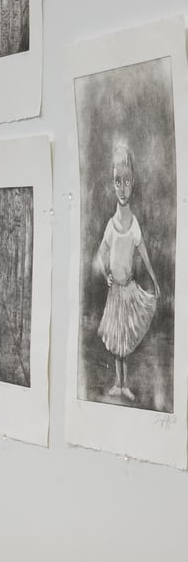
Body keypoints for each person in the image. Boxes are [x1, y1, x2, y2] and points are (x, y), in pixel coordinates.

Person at [93, 141, 161, 401]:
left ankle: (125, 384)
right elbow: (100, 255)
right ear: (113, 184)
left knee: (125, 337)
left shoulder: (134, 225)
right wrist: (106, 275)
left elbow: (143, 253)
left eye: (127, 181)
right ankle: (118, 383)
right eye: (117, 181)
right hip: (116, 292)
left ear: (133, 182)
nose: (122, 188)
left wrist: (154, 280)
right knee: (116, 337)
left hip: (130, 289)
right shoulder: (111, 226)